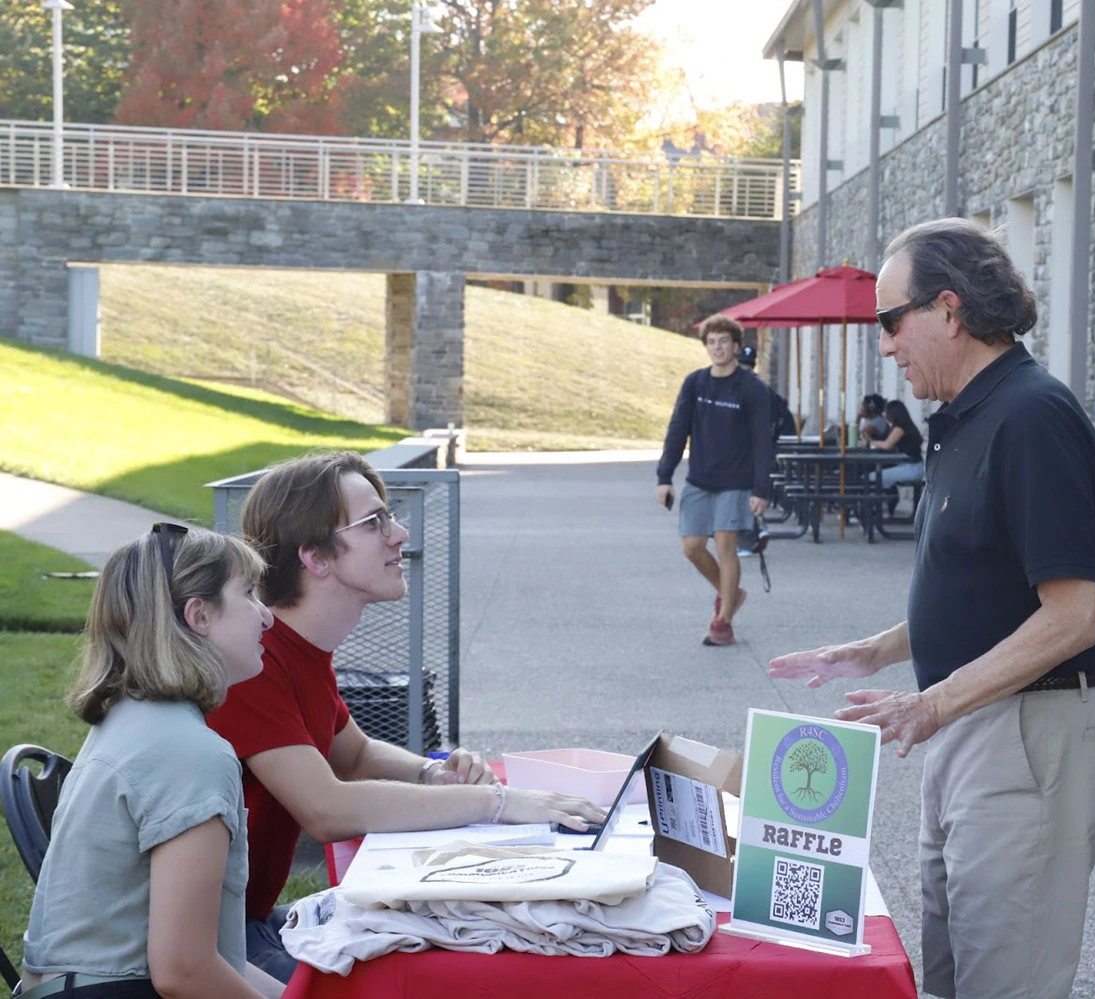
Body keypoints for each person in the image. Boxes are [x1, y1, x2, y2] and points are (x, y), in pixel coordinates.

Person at [769, 217, 1095, 999]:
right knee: (952, 976)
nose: (886, 345)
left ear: (950, 310)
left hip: (1026, 732)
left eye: (890, 321)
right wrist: (872, 651)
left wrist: (930, 704)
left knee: (1005, 981)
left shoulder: (1032, 417)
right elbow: (985, 590)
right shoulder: (966, 418)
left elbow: (1074, 617)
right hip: (973, 724)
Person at [207, 452, 605, 982]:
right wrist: (498, 803)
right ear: (316, 558)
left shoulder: (299, 648)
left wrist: (430, 773)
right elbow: (326, 810)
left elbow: (353, 755)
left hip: (245, 924)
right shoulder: (254, 661)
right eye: (374, 522)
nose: (399, 533)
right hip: (212, 946)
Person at [21, 525, 285, 999]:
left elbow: (209, 958)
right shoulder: (189, 752)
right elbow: (183, 971)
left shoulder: (133, 721)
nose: (266, 617)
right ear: (199, 615)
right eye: (248, 593)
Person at [657, 315, 773, 646]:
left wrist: (761, 489)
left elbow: (762, 441)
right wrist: (664, 476)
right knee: (692, 547)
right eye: (711, 342)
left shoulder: (752, 388)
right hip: (699, 480)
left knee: (725, 545)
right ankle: (731, 593)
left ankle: (723, 623)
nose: (717, 348)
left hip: (735, 481)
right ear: (706, 346)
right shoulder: (695, 383)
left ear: (736, 346)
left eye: (724, 341)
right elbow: (678, 430)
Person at [736, 343, 797, 439]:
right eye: (742, 367)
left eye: (748, 367)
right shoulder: (729, 391)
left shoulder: (765, 392)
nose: (745, 371)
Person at [867, 398, 925, 489]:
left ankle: (880, 502)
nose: (884, 415)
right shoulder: (906, 425)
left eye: (886, 412)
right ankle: (885, 501)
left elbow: (887, 445)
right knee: (882, 480)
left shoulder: (900, 428)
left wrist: (870, 442)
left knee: (871, 477)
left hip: (911, 469)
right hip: (914, 467)